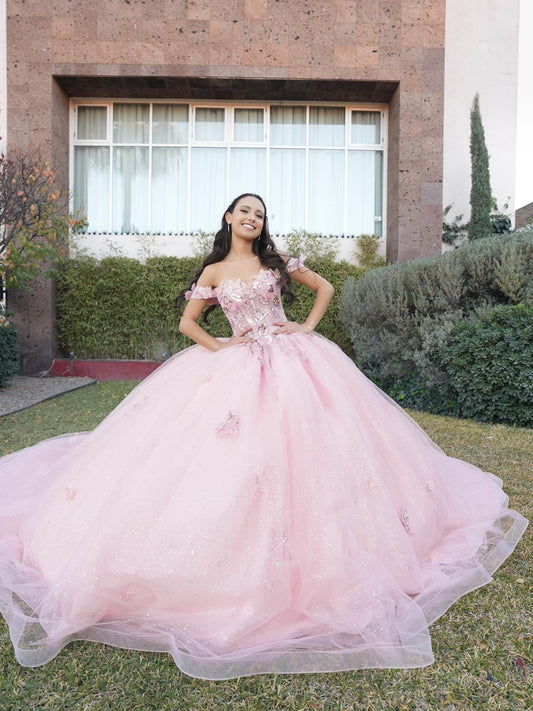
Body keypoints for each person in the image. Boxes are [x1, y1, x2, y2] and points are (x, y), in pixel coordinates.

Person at [0, 193, 527, 681]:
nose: (252, 218)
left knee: (321, 447)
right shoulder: (213, 271)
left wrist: (307, 327)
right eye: (245, 211)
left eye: (259, 213)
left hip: (295, 360)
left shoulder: (277, 261)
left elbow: (325, 288)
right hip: (236, 364)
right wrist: (222, 348)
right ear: (229, 218)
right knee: (226, 459)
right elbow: (188, 324)